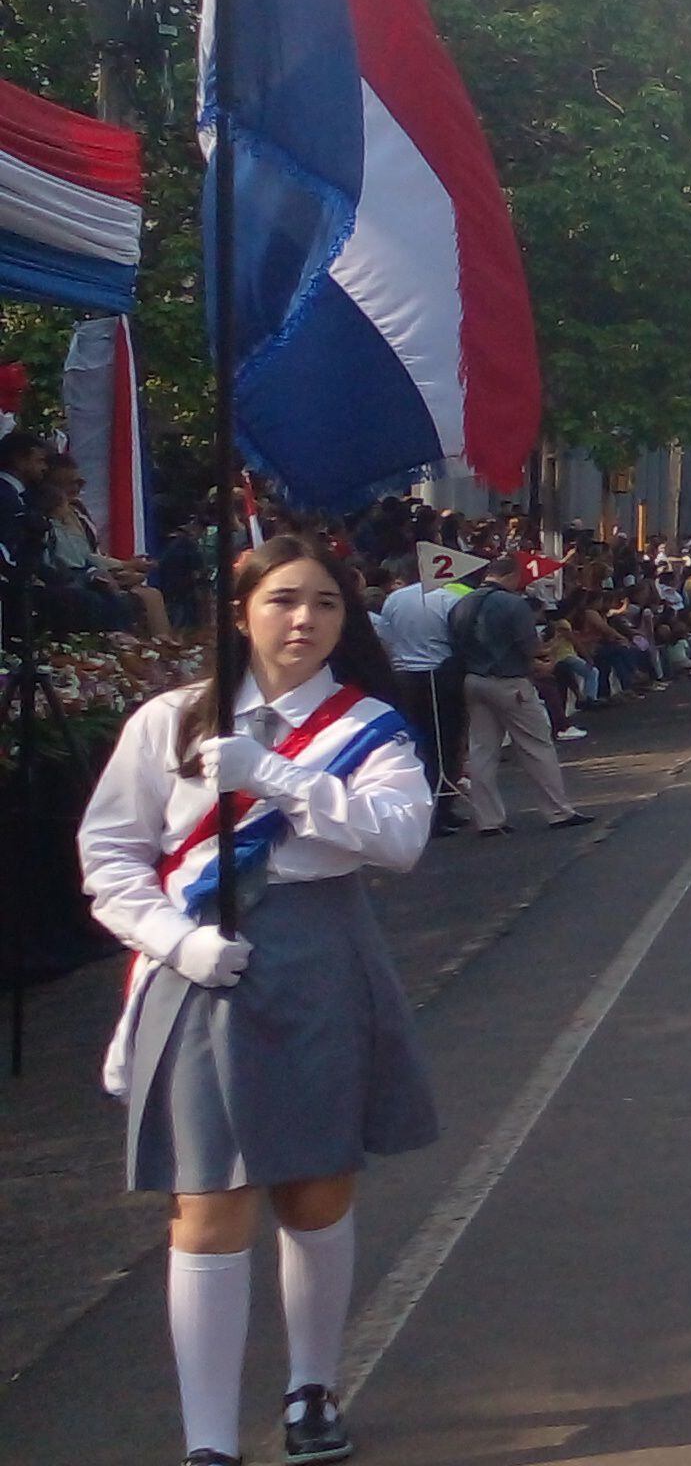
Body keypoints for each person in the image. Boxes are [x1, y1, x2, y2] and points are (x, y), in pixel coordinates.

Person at [78, 536, 438, 1466]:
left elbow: (400, 839)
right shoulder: (170, 720)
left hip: (323, 957)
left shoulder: (370, 727)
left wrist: (272, 775)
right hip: (201, 968)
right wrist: (176, 940)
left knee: (315, 1191)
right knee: (209, 1205)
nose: (303, 620)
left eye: (324, 603)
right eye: (282, 600)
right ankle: (208, 1440)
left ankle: (311, 1390)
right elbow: (110, 857)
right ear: (241, 612)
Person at [448, 561, 591, 837]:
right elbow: (529, 647)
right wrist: (544, 659)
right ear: (511, 576)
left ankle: (488, 819)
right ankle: (558, 811)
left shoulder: (462, 603)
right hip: (509, 680)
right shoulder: (514, 605)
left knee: (482, 750)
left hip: (473, 678)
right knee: (536, 745)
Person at [373, 556, 473, 830]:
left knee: (418, 741)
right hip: (440, 674)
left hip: (406, 676)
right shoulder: (448, 599)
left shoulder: (394, 599)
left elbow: (387, 635)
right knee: (447, 741)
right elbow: (459, 636)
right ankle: (441, 806)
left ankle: (425, 804)